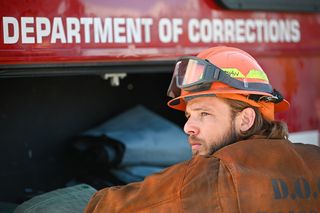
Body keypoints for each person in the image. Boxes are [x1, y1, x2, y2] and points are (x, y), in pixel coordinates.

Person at [84, 46, 320, 212]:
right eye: (189, 115)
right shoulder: (314, 160)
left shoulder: (210, 175)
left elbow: (106, 208)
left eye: (204, 114)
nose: (188, 127)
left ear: (246, 119)